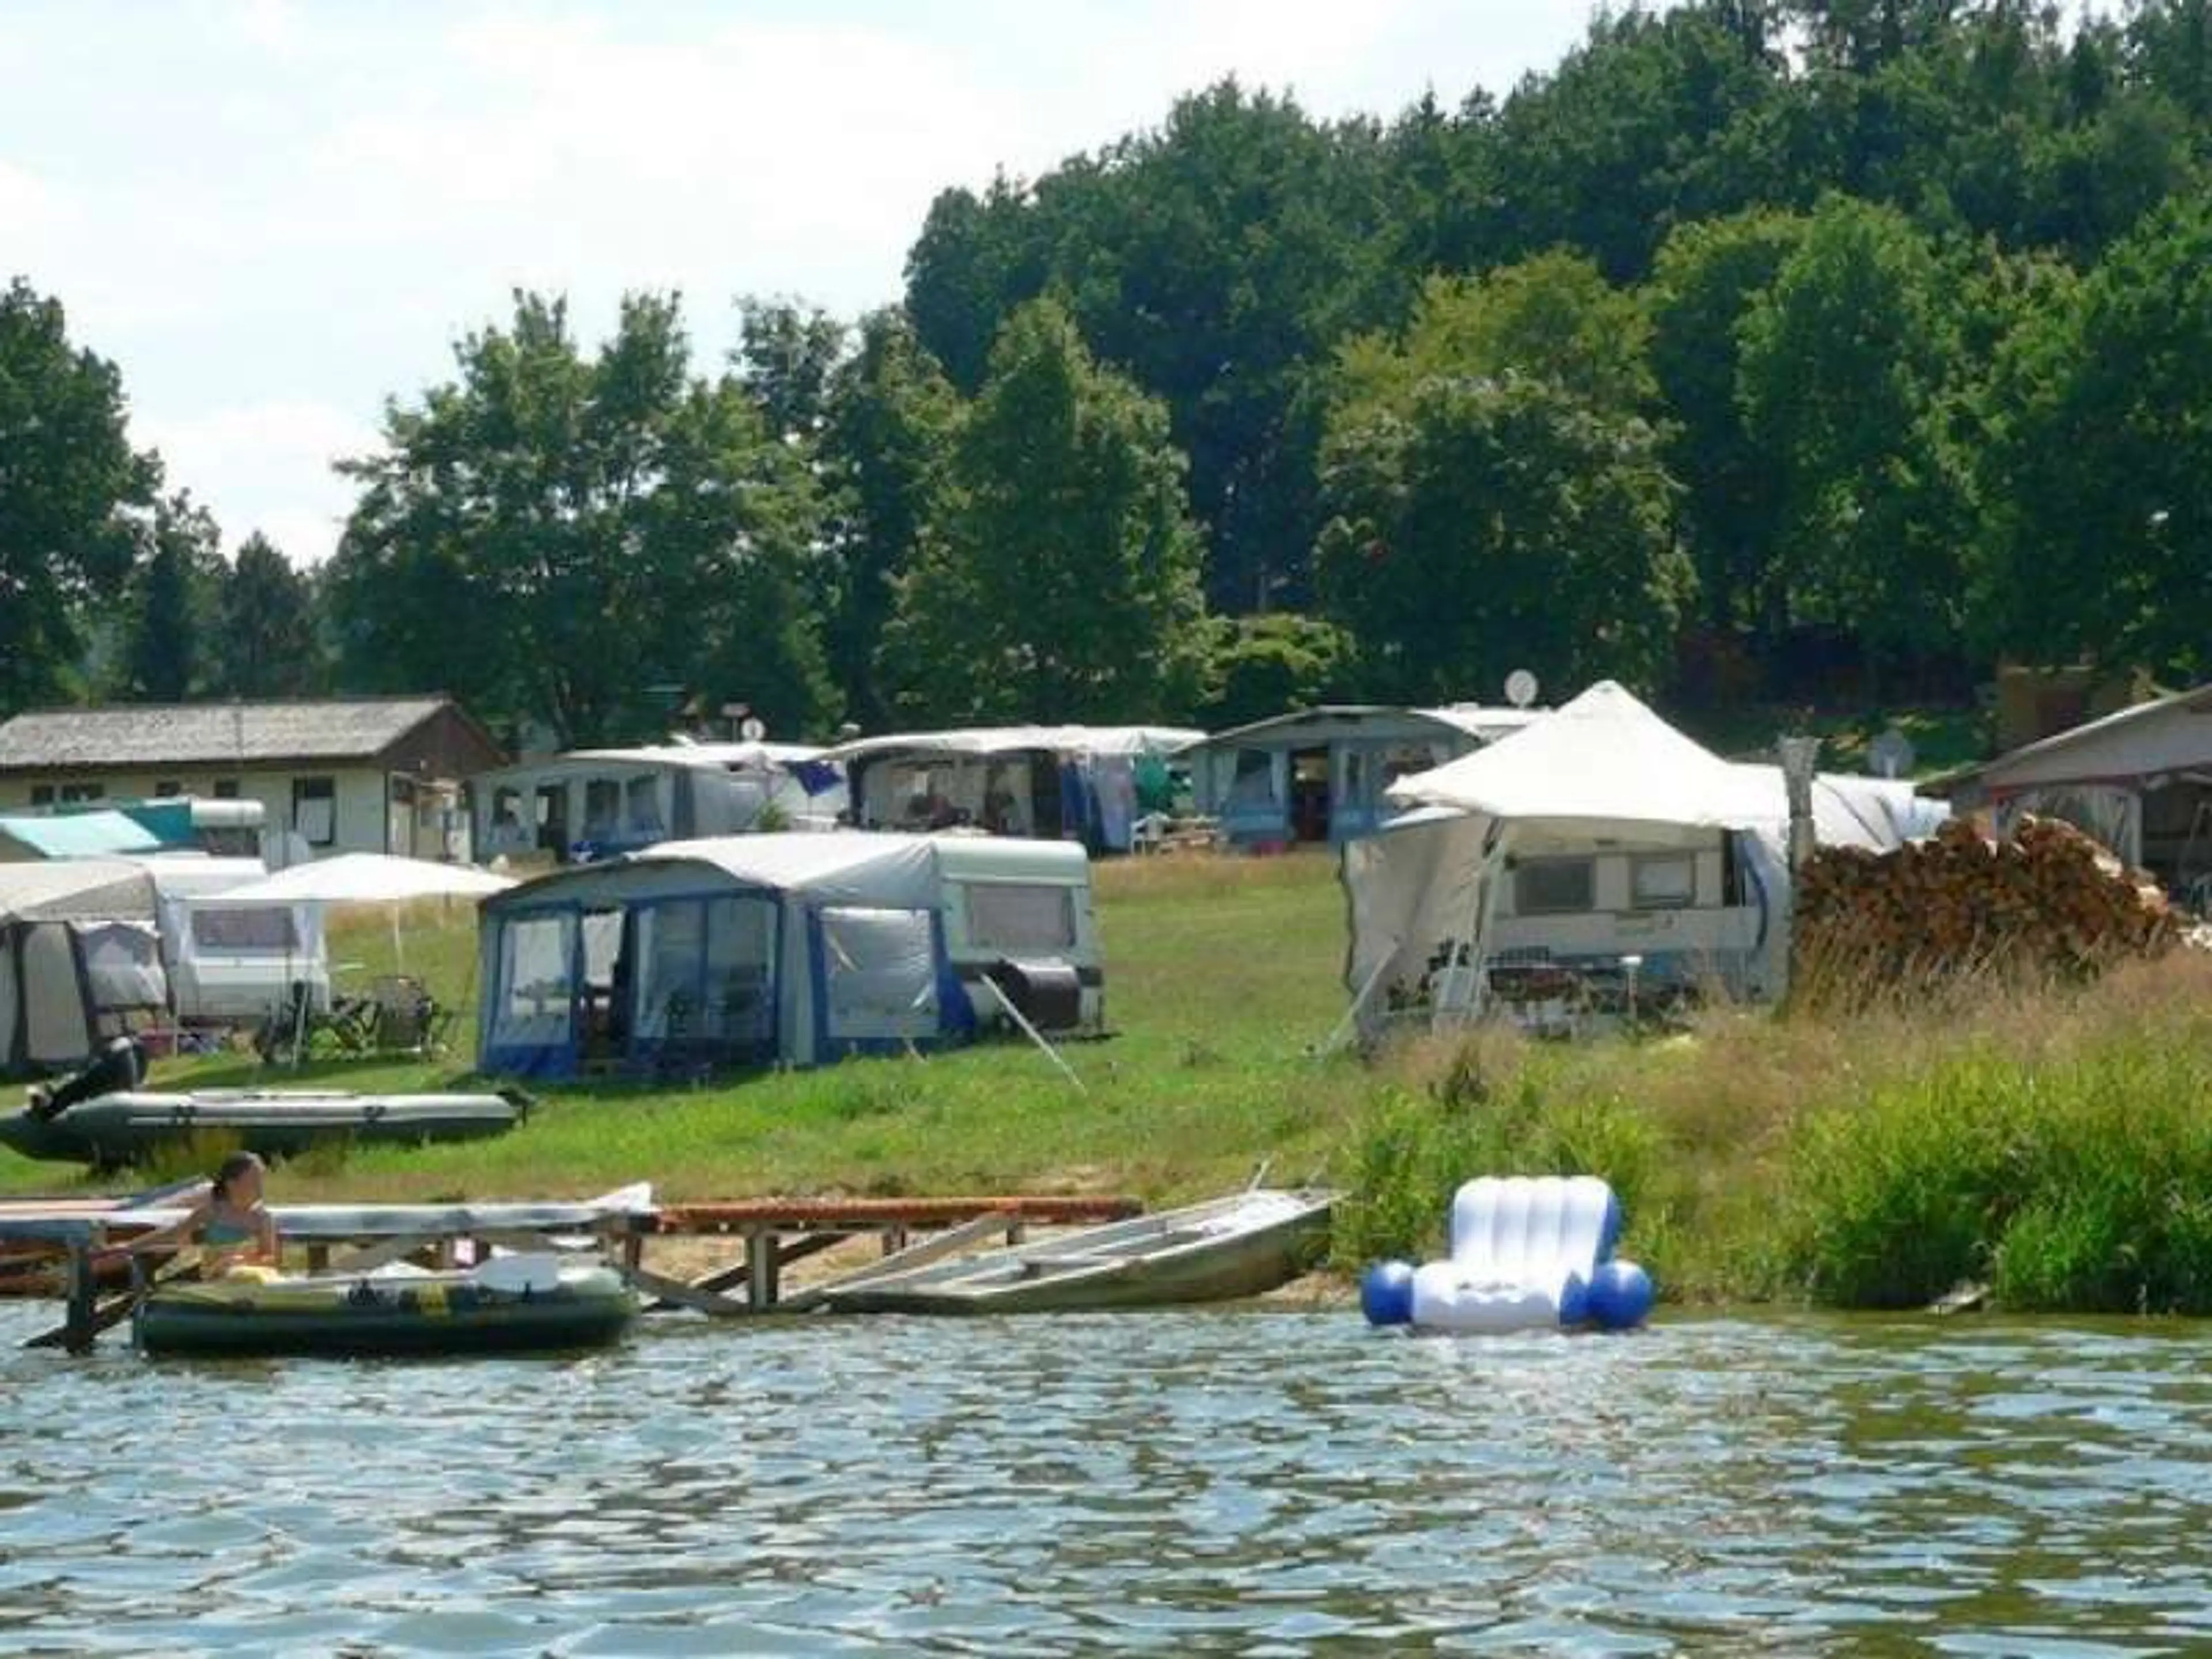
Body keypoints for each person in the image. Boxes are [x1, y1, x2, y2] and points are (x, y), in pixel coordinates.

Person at [130, 1152, 281, 1281]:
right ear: (232, 1184)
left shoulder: (263, 1218)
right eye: (254, 1180)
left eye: (261, 1179)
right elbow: (174, 1233)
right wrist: (131, 1246)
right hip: (210, 1280)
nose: (260, 1186)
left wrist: (240, 1261)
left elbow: (270, 1258)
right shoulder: (212, 1211)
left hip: (246, 1280)